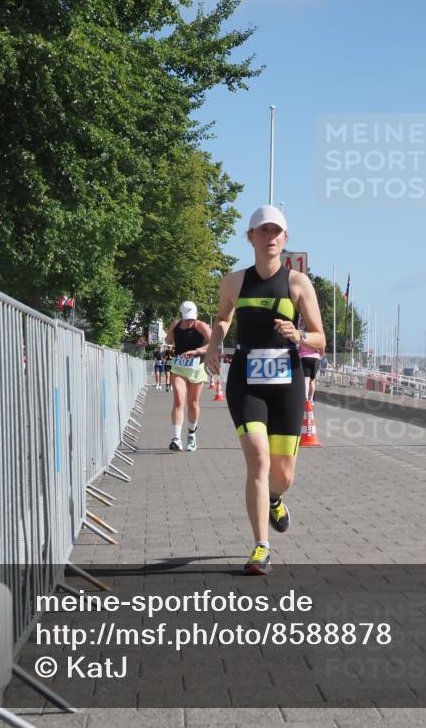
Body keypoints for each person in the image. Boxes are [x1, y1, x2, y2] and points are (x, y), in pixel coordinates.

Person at [203, 205, 326, 575]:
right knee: (257, 457)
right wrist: (214, 344)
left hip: (286, 380)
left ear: (285, 239)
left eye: (277, 232)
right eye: (263, 231)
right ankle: (261, 546)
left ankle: (275, 499)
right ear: (250, 237)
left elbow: (321, 339)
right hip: (245, 379)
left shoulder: (298, 283)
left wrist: (300, 334)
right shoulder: (233, 282)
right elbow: (223, 317)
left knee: (283, 474)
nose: (270, 237)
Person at [167, 302, 211, 452]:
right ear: (181, 315)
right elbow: (168, 341)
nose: (189, 321)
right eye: (186, 319)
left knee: (192, 404)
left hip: (197, 368)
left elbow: (214, 344)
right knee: (179, 400)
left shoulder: (201, 326)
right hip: (179, 367)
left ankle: (191, 434)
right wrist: (171, 331)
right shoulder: (176, 325)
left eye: (191, 318)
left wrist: (197, 351)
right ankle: (176, 439)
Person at [298, 315, 321, 402]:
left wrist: (299, 353)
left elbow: (299, 347)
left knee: (306, 379)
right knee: (312, 380)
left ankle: (306, 399)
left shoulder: (302, 333)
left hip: (305, 357)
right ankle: (311, 400)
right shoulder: (316, 333)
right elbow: (321, 346)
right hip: (316, 358)